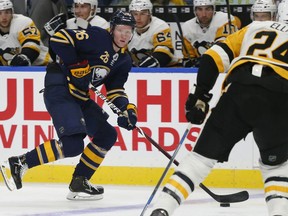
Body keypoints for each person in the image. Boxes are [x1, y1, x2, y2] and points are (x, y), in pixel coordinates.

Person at [150, 1, 288, 215]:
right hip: (279, 97)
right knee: (276, 167)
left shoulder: (254, 27)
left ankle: (162, 208)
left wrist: (200, 96)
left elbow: (211, 58)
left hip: (238, 91)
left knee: (199, 160)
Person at [1, 10, 137, 201]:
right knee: (73, 144)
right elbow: (59, 38)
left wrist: (127, 109)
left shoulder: (124, 60)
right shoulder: (97, 37)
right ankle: (19, 163)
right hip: (60, 88)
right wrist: (75, 65)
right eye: (121, 30)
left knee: (107, 134)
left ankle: (79, 181)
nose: (125, 35)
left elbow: (115, 89)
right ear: (112, 29)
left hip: (79, 96)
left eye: (129, 31)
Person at [181, 0, 238, 67]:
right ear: (195, 11)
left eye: (208, 9)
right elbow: (188, 59)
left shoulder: (225, 19)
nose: (204, 14)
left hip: (227, 65)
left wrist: (204, 60)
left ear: (213, 9)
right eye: (200, 9)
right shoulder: (187, 27)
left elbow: (224, 48)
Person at [0, 0, 51, 66]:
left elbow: (32, 43)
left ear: (12, 12)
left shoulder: (23, 21)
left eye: (7, 12)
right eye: (0, 13)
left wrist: (24, 57)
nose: (4, 17)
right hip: (12, 70)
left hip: (43, 66)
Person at [128, 0, 178, 67]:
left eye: (143, 14)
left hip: (167, 68)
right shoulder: (125, 27)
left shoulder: (160, 26)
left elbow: (165, 52)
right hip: (137, 69)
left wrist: (153, 61)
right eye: (135, 14)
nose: (138, 18)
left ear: (150, 13)